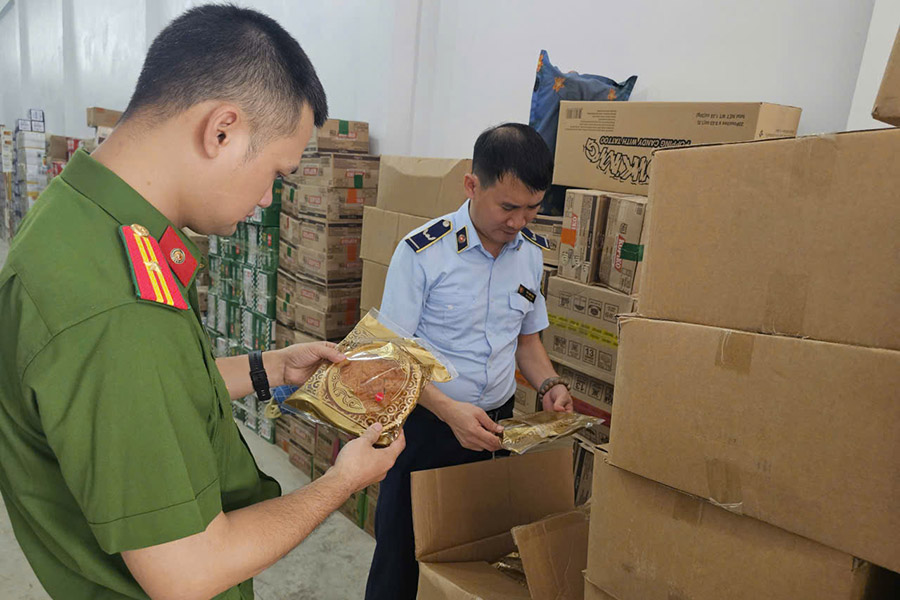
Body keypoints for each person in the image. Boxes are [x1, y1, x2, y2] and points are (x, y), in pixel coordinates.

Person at [0, 5, 403, 599]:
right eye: (275, 172)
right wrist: (340, 483)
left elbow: (150, 393)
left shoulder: (86, 222)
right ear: (222, 130)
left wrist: (268, 369)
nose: (267, 198)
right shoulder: (114, 310)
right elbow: (186, 571)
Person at [365, 123, 574, 600]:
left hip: (494, 430)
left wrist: (548, 386)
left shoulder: (531, 256)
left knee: (472, 557)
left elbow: (527, 343)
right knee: (403, 556)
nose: (520, 221)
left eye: (533, 208)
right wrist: (449, 413)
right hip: (423, 430)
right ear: (471, 185)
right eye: (508, 206)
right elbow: (393, 356)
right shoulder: (423, 253)